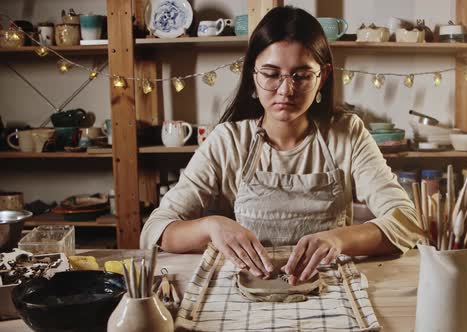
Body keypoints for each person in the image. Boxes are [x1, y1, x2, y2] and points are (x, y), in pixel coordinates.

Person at [140, 6, 424, 285]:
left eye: (300, 76)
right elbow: (155, 230)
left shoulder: (347, 134)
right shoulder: (227, 140)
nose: (286, 90)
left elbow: (406, 222)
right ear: (253, 76)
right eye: (272, 74)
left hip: (328, 290)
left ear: (322, 77)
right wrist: (210, 227)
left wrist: (339, 239)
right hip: (250, 293)